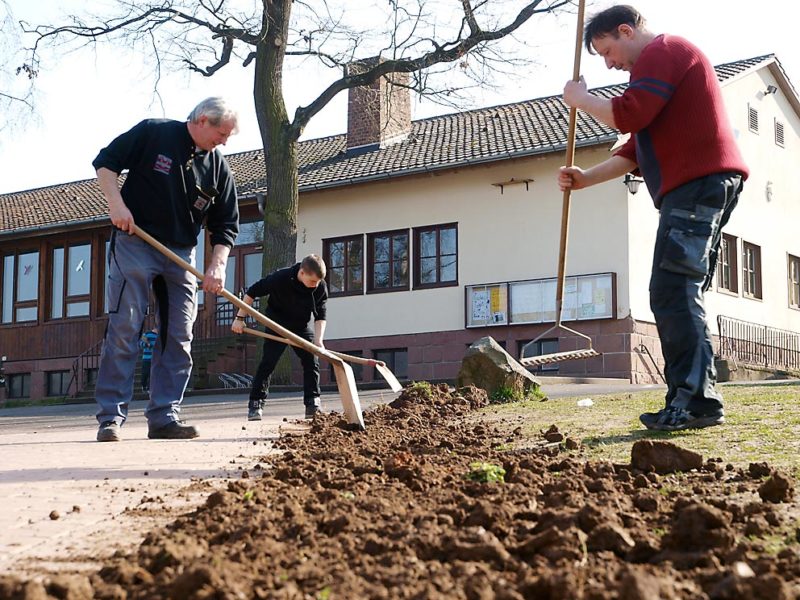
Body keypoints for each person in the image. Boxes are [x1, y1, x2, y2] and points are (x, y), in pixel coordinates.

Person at [558, 5, 748, 431]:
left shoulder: (666, 50)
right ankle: (689, 398)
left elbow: (629, 115)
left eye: (607, 50)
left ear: (627, 30)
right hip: (698, 186)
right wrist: (584, 179)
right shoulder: (651, 75)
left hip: (699, 184)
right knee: (677, 289)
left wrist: (581, 100)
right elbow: (633, 146)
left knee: (673, 289)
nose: (608, 63)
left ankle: (696, 402)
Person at [93, 97, 240, 442]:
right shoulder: (154, 132)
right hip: (135, 242)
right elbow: (106, 163)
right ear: (202, 120)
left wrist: (216, 266)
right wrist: (117, 205)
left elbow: (226, 226)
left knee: (179, 335)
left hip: (179, 255)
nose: (224, 142)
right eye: (221, 134)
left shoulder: (218, 167)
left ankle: (164, 416)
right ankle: (110, 418)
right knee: (126, 325)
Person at [231, 255, 328, 421]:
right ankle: (256, 404)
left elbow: (320, 315)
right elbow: (252, 292)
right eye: (312, 281)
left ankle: (313, 405)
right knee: (268, 362)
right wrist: (239, 319)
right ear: (302, 273)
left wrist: (319, 341)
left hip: (300, 327)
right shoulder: (280, 278)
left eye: (318, 282)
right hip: (276, 324)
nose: (316, 285)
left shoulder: (320, 286)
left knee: (311, 360)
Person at [139, 328, 158, 392]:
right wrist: (146, 344)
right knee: (145, 373)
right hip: (146, 358)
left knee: (152, 374)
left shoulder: (160, 336)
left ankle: (150, 388)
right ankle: (144, 385)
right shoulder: (147, 334)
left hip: (156, 359)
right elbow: (140, 343)